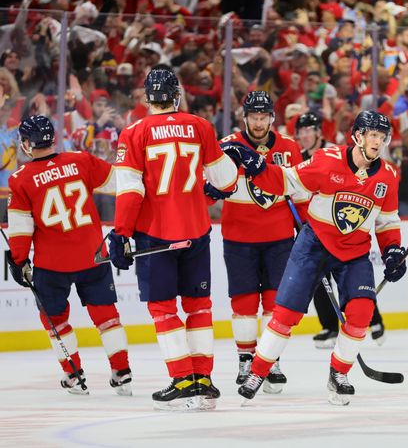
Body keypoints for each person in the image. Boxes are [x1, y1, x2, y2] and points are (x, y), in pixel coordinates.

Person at [236, 110, 407, 406]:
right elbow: (285, 181)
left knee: (362, 313)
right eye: (373, 135)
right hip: (314, 245)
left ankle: (339, 373)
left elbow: (387, 221)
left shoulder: (388, 177)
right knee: (286, 314)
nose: (378, 142)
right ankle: (258, 370)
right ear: (357, 136)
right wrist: (257, 167)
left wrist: (392, 250)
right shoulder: (327, 160)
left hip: (354, 252)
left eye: (382, 137)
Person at [109, 65, 239, 411]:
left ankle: (182, 379)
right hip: (197, 231)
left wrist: (121, 233)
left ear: (147, 98)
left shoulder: (135, 133)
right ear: (176, 95)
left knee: (163, 309)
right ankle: (204, 380)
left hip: (156, 235)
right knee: (199, 306)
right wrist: (208, 191)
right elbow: (226, 180)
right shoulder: (200, 126)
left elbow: (131, 191)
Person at [6, 115, 132, 396]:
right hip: (93, 256)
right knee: (106, 316)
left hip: (52, 264)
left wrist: (18, 260)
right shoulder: (81, 160)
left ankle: (73, 375)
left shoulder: (20, 179)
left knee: (55, 319)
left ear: (27, 144)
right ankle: (122, 372)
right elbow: (121, 183)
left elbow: (20, 229)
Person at [205, 90, 305, 391]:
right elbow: (207, 191)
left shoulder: (289, 147)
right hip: (239, 237)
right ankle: (246, 359)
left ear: (272, 118)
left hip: (279, 239)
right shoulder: (226, 147)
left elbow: (299, 192)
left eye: (263, 117)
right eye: (253, 117)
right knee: (244, 300)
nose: (258, 123)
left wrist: (308, 228)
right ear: (244, 117)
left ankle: (270, 359)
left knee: (276, 301)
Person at [296, 111, 391, 349]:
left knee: (354, 279)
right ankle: (329, 326)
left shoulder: (335, 152)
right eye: (302, 131)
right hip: (317, 227)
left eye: (310, 130)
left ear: (319, 132)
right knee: (318, 279)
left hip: (344, 228)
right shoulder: (299, 157)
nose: (305, 135)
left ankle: (374, 319)